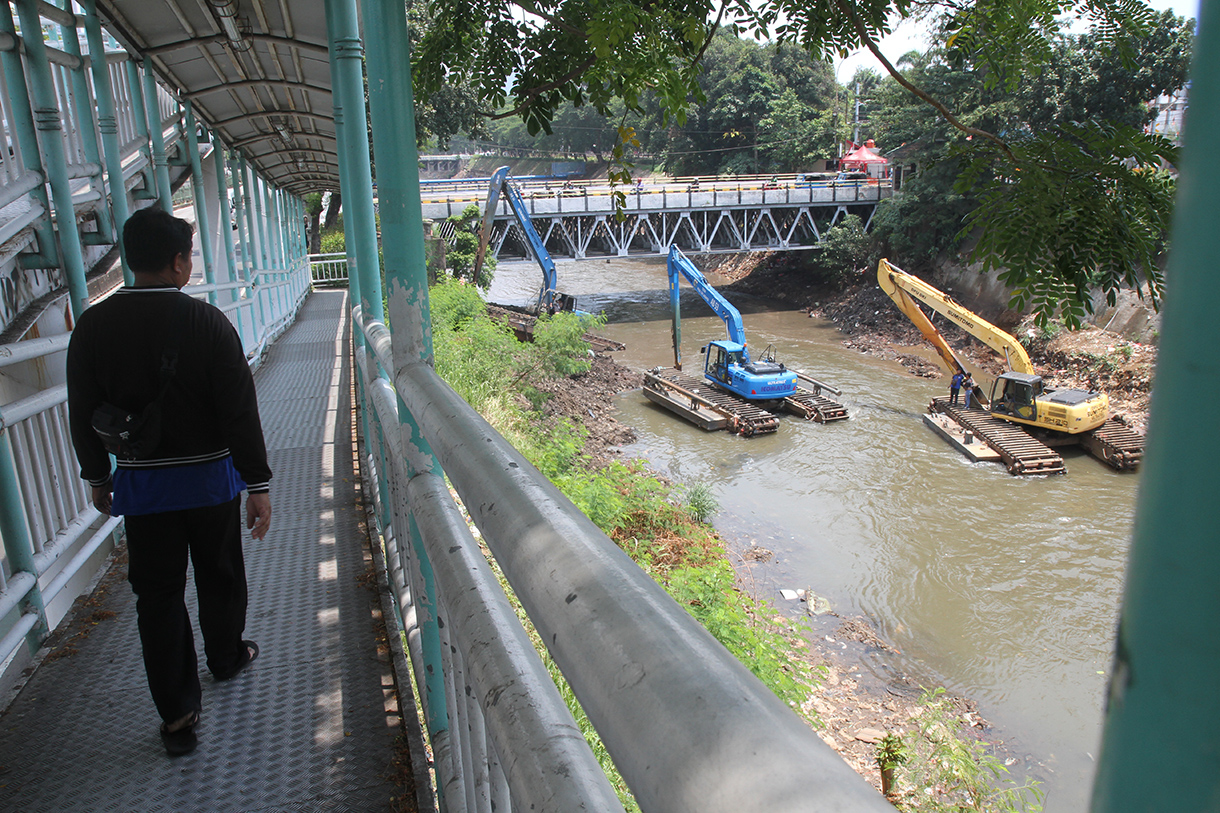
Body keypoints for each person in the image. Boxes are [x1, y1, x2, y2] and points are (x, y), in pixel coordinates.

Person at [66, 206, 272, 757]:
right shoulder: (208, 323)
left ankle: (178, 710)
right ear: (179, 262)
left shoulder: (93, 326)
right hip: (210, 483)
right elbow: (239, 412)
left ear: (133, 260)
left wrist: (96, 475)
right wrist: (258, 484)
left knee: (156, 596)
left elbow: (82, 408)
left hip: (144, 489)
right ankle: (226, 657)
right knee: (220, 572)